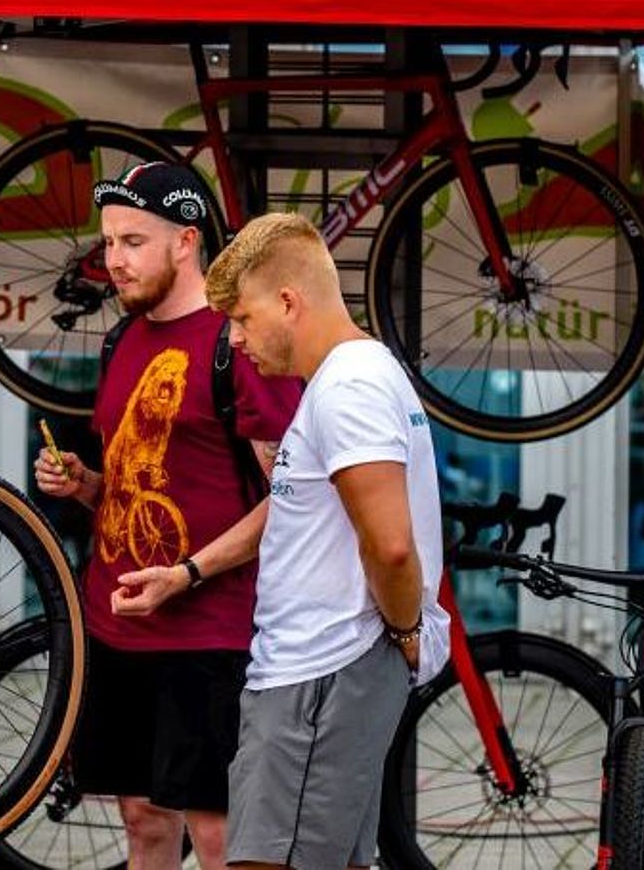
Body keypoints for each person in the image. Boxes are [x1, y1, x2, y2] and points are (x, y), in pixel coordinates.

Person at [112, 212, 450, 870]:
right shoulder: (344, 380)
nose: (234, 339)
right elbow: (296, 510)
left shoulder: (348, 387)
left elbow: (392, 546)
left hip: (319, 671)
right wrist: (187, 572)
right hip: (319, 672)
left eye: (240, 317)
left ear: (289, 302)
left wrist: (407, 634)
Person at [32, 163, 301, 870]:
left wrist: (188, 573)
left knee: (217, 832)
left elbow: (295, 498)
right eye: (109, 242)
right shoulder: (121, 340)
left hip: (209, 631)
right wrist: (85, 484)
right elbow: (137, 487)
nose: (113, 259)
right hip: (118, 625)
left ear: (186, 241)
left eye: (131, 241)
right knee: (143, 819)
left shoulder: (234, 341)